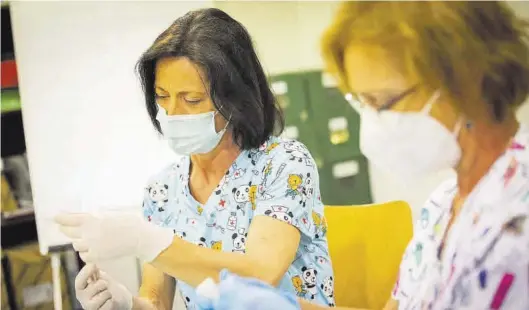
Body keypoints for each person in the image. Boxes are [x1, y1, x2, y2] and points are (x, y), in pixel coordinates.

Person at [196, 2, 529, 310]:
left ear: (467, 80)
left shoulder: (517, 208)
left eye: (383, 102)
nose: (373, 125)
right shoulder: (442, 206)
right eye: (362, 104)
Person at [55, 7, 335, 310]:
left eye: (191, 99)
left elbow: (260, 275)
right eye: (162, 97)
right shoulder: (163, 191)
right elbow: (156, 301)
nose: (172, 113)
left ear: (234, 99)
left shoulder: (283, 164)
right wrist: (125, 303)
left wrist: (146, 241)